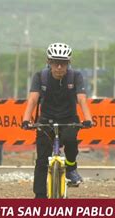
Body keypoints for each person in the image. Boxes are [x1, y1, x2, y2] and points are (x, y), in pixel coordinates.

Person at [21, 42, 93, 199]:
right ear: (49, 62)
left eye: (63, 63)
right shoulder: (40, 77)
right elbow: (33, 99)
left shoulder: (75, 77)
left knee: (71, 141)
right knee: (41, 160)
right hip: (46, 120)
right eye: (56, 62)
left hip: (69, 119)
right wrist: (26, 119)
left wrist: (88, 119)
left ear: (69, 63)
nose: (59, 67)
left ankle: (71, 167)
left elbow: (81, 99)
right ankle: (40, 196)